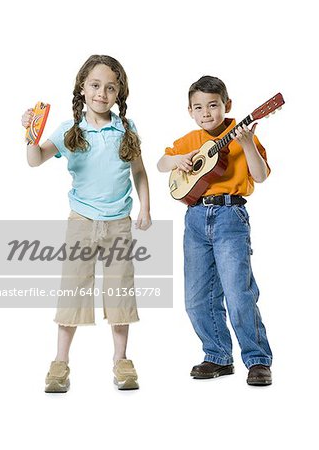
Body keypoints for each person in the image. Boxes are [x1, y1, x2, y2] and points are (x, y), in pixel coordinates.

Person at [22, 55, 151, 392]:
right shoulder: (70, 130)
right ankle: (60, 363)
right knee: (73, 291)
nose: (102, 93)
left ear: (119, 93)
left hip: (118, 223)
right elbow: (35, 161)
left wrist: (145, 209)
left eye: (110, 88)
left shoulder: (127, 128)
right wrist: (30, 137)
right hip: (81, 220)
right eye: (95, 85)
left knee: (119, 292)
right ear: (82, 87)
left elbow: (139, 172)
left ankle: (121, 360)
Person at [157, 75, 273, 386]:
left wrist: (247, 144)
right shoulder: (189, 141)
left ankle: (258, 359)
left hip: (230, 216)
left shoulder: (241, 135)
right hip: (194, 218)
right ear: (190, 111)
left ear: (227, 105)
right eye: (198, 107)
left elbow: (260, 176)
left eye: (213, 105)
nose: (206, 112)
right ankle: (217, 355)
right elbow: (160, 163)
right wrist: (177, 161)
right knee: (196, 297)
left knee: (238, 293)